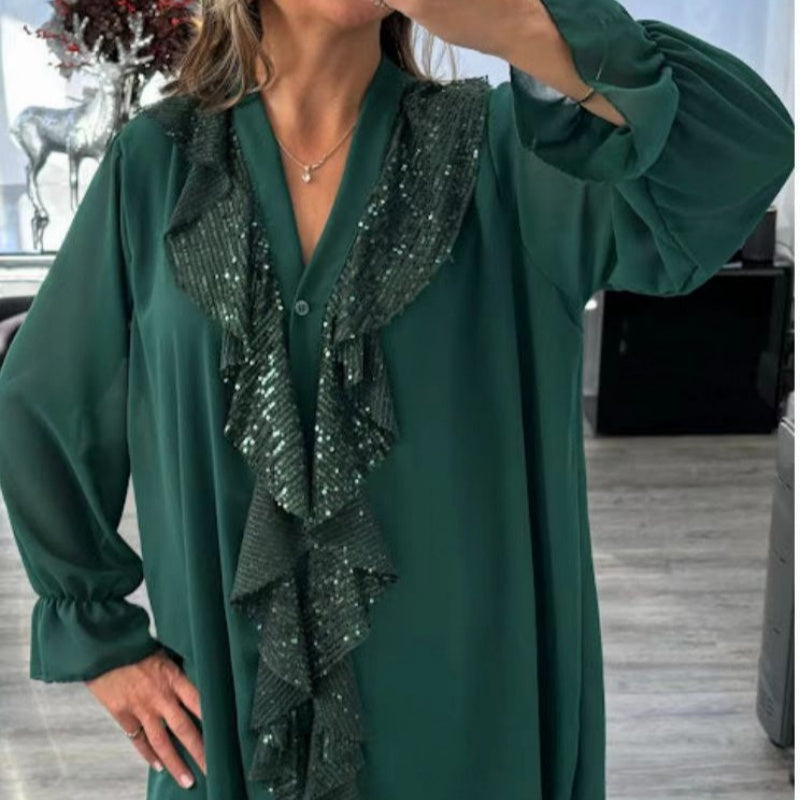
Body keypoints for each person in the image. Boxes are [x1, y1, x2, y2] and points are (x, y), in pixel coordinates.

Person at [0, 0, 793, 798]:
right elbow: (40, 404)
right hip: (233, 727)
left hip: (468, 735)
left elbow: (738, 152)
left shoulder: (508, 157)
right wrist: (99, 639)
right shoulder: (158, 165)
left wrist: (518, 24)